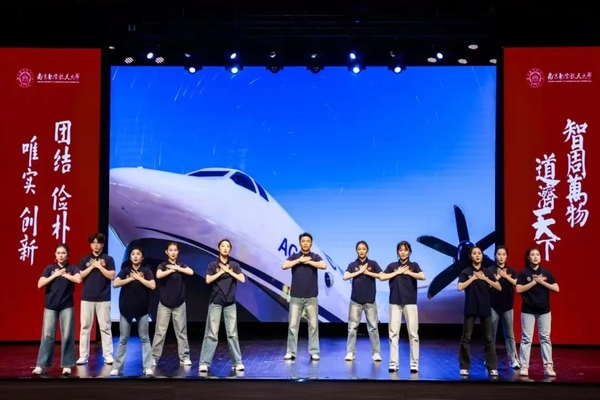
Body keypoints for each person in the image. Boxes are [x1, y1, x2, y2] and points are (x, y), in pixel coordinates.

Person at [33, 244, 82, 376]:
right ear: (55, 254)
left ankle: (67, 365)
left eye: (63, 253)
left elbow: (78, 279)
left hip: (66, 305)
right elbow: (40, 284)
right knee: (47, 335)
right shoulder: (50, 268)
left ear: (68, 255)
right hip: (51, 305)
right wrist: (55, 275)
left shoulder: (72, 268)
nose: (61, 255)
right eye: (59, 253)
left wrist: (65, 274)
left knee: (67, 335)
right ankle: (41, 365)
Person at [199, 239, 246, 372]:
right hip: (216, 302)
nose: (225, 248)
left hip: (230, 303)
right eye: (223, 246)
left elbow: (242, 279)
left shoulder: (234, 265)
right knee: (212, 333)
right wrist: (220, 272)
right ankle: (204, 363)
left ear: (230, 249)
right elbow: (208, 280)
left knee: (232, 334)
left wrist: (229, 271)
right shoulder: (213, 265)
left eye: (227, 246)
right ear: (219, 248)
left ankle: (237, 362)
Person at [380, 241, 426, 373]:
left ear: (409, 252)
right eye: (400, 250)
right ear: (397, 252)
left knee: (413, 334)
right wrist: (397, 272)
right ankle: (393, 363)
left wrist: (408, 272)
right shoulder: (392, 266)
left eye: (405, 250)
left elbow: (422, 276)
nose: (403, 252)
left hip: (410, 302)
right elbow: (382, 277)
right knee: (393, 333)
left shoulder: (413, 265)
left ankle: (414, 363)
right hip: (395, 302)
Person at [110, 246, 156, 376]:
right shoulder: (125, 270)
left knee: (145, 338)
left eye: (138, 254)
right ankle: (117, 367)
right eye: (133, 254)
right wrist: (131, 278)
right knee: (123, 339)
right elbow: (115, 283)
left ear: (142, 257)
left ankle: (148, 367)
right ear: (130, 257)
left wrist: (139, 278)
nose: (135, 256)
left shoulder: (146, 271)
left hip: (142, 310)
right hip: (126, 309)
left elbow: (152, 285)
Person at [282, 232, 327, 361]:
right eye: (303, 241)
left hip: (311, 296)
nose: (305, 243)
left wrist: (309, 261)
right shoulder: (295, 256)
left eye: (308, 241)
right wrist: (299, 261)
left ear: (311, 244)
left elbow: (324, 265)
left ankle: (314, 351)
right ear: (300, 243)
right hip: (296, 296)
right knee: (293, 325)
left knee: (313, 325)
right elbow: (284, 265)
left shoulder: (315, 256)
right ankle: (291, 352)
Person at [457, 246, 501, 377]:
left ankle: (492, 367)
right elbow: (459, 287)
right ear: (470, 256)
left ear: (482, 256)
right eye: (474, 253)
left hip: (484, 307)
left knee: (489, 338)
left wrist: (485, 278)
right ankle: (464, 366)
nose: (477, 255)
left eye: (479, 253)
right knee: (466, 338)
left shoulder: (487, 271)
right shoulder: (466, 271)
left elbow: (498, 286)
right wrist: (473, 278)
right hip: (471, 307)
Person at [516, 247, 559, 377]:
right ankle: (524, 366)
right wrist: (534, 282)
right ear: (528, 257)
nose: (535, 257)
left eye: (537, 255)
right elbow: (518, 289)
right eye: (532, 255)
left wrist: (541, 282)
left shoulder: (546, 272)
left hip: (544, 310)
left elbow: (556, 288)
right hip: (528, 310)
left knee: (545, 338)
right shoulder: (524, 272)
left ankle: (548, 366)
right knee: (526, 338)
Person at [76, 233, 116, 366]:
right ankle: (83, 356)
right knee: (85, 327)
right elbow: (80, 275)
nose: (96, 245)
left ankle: (108, 355)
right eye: (93, 243)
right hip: (87, 298)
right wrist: (92, 266)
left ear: (102, 244)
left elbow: (112, 276)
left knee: (105, 327)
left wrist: (100, 266)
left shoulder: (108, 259)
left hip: (103, 298)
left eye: (98, 243)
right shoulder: (85, 259)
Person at [152, 242, 194, 367]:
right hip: (164, 304)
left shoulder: (181, 265)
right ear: (166, 252)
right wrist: (170, 270)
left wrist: (177, 268)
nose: (173, 252)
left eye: (175, 250)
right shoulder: (163, 265)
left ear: (178, 252)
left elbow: (191, 272)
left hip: (179, 304)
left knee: (181, 332)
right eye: (170, 250)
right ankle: (154, 357)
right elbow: (158, 275)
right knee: (160, 332)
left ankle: (184, 357)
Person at [343, 241, 383, 362]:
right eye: (359, 249)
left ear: (367, 250)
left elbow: (382, 276)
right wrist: (359, 272)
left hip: (370, 300)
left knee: (373, 328)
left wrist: (367, 272)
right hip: (355, 301)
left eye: (364, 249)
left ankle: (376, 353)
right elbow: (345, 277)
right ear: (356, 250)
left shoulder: (373, 263)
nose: (361, 251)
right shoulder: (352, 265)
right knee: (352, 327)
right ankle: (350, 352)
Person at [490, 246, 519, 369]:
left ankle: (513, 359)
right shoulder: (490, 270)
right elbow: (487, 286)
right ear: (495, 256)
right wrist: (497, 277)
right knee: (492, 334)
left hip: (507, 306)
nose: (501, 257)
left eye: (503, 254)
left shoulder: (511, 270)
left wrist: (505, 276)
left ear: (506, 257)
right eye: (499, 254)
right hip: (493, 306)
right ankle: (490, 358)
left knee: (509, 334)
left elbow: (517, 283)